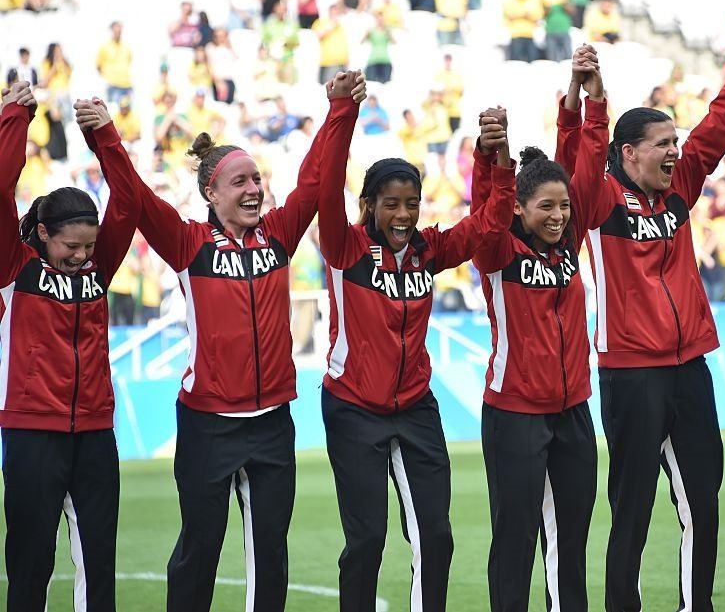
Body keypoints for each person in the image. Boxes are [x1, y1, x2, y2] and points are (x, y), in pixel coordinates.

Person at [560, 0, 725, 612]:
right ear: (628, 152)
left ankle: (695, 605)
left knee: (703, 504)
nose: (675, 152)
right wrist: (593, 103)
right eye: (662, 144)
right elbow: (580, 164)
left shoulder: (680, 187)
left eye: (675, 143)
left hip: (690, 370)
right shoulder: (598, 201)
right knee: (631, 507)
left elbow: (720, 122)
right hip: (630, 373)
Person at [98, 73, 344, 612]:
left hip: (273, 423)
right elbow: (137, 199)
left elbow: (312, 180)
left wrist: (339, 109)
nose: (254, 188)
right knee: (200, 551)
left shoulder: (278, 234)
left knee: (269, 555)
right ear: (211, 193)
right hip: (207, 424)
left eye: (257, 179)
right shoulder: (188, 242)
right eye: (240, 182)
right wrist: (107, 139)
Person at [316, 71, 515, 611]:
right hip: (353, 408)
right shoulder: (345, 247)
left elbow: (490, 224)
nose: (403, 215)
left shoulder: (430, 249)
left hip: (416, 408)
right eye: (391, 204)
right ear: (370, 206)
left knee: (437, 538)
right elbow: (326, 183)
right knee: (367, 541)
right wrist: (343, 113)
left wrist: (496, 159)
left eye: (412, 203)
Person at [470, 51, 605, 612]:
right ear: (519, 208)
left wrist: (586, 99)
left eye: (563, 207)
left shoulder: (568, 245)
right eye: (544, 207)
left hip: (573, 410)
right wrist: (489, 156)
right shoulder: (498, 251)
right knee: (516, 542)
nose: (557, 215)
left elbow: (587, 163)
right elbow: (486, 208)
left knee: (570, 543)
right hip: (515, 414)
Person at [1, 81, 139, 612]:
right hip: (32, 431)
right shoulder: (13, 267)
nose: (83, 257)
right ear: (40, 233)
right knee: (31, 567)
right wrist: (15, 120)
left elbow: (129, 201)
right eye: (70, 246)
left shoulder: (100, 265)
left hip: (96, 435)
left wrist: (103, 135)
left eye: (89, 245)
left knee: (97, 565)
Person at [96, 21, 132, 104]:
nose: (118, 32)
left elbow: (129, 61)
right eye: (116, 30)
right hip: (113, 86)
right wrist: (108, 78)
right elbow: (98, 66)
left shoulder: (126, 47)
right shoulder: (104, 47)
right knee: (114, 113)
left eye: (120, 30)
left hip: (127, 85)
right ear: (112, 30)